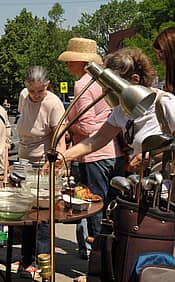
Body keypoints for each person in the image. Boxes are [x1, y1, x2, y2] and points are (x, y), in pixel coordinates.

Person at [61, 47, 175, 233]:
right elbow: (96, 140)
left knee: (162, 237)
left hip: (173, 184)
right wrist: (64, 156)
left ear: (134, 80)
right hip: (146, 187)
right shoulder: (122, 110)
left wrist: (151, 157)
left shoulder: (164, 101)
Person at [58, 37, 126, 260]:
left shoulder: (83, 84)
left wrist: (70, 124)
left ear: (81, 61)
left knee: (95, 209)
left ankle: (99, 261)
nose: (67, 65)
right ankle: (112, 258)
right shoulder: (104, 81)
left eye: (70, 60)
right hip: (112, 153)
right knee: (111, 210)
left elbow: (87, 129)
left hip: (93, 155)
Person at [14, 66, 66, 275]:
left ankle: (41, 260)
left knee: (43, 215)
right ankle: (25, 258)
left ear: (47, 86)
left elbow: (60, 137)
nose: (35, 95)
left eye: (39, 91)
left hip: (44, 160)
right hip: (24, 157)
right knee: (26, 211)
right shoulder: (23, 96)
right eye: (31, 90)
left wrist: (56, 161)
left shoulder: (53, 103)